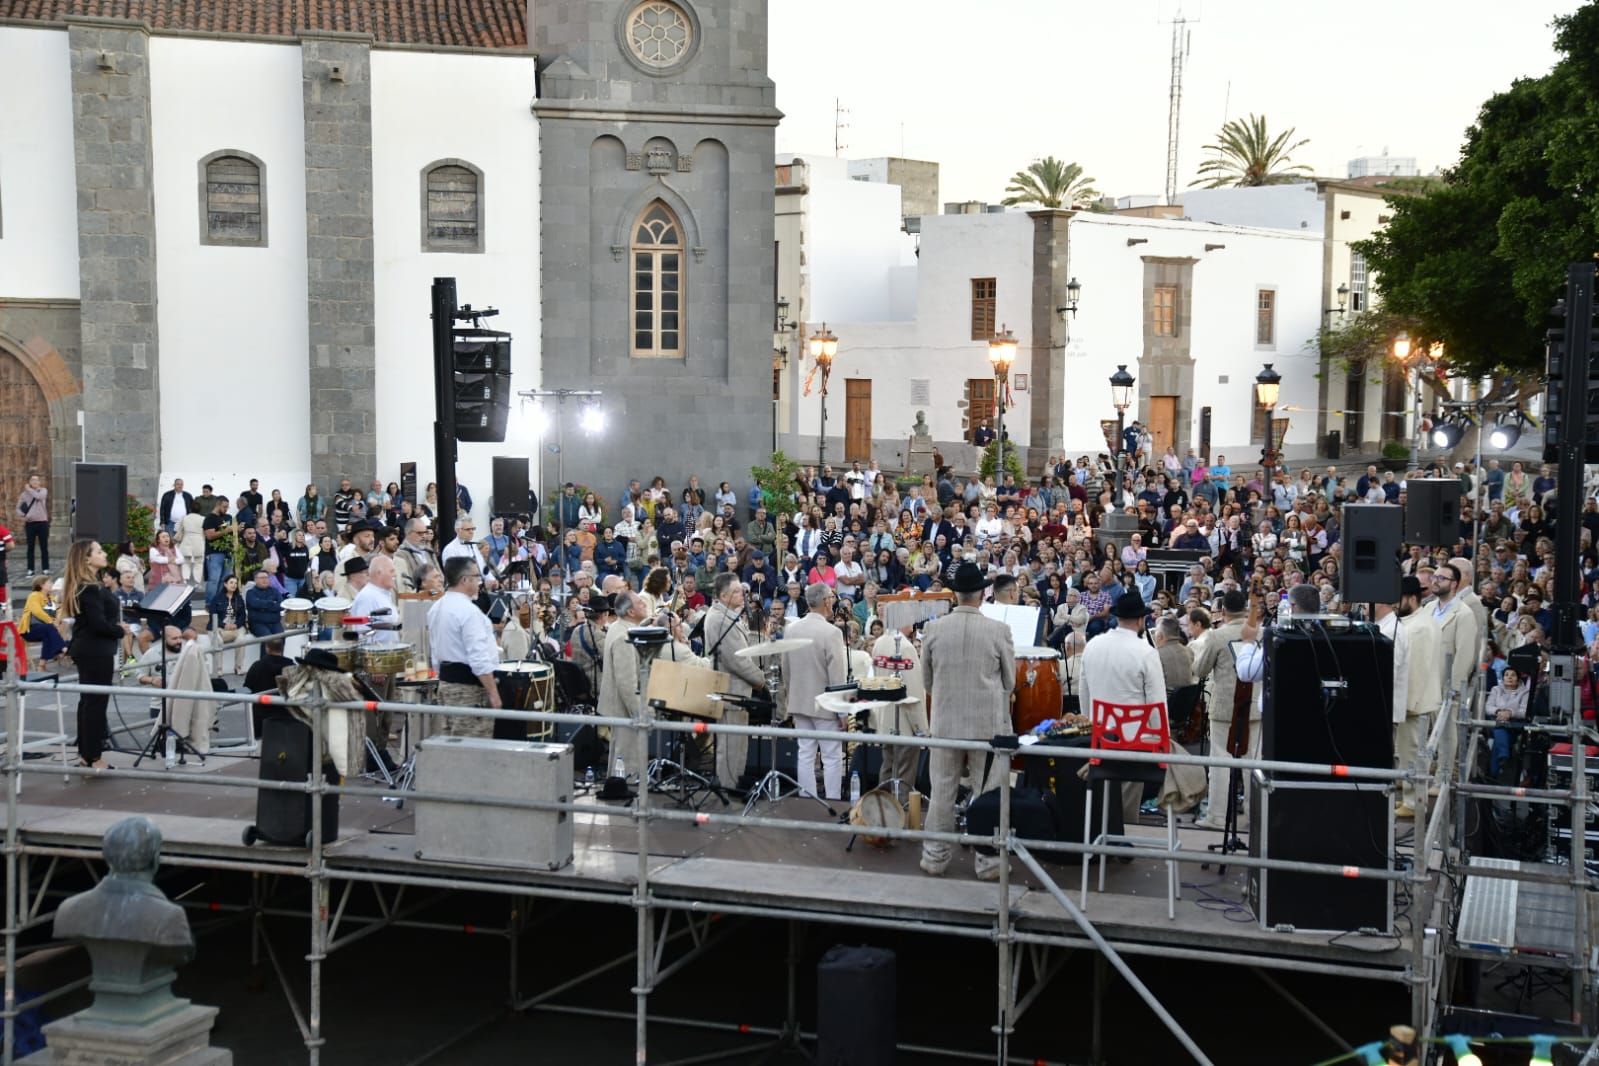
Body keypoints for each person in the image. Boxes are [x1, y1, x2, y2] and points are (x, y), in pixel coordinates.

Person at [919, 561, 1014, 879]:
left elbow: (928, 683)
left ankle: (934, 857)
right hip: (984, 727)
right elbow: (1010, 682)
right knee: (986, 794)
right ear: (982, 593)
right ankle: (987, 862)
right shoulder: (998, 630)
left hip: (945, 723)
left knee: (942, 790)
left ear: (956, 595)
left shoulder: (933, 629)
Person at [1080, 590, 1167, 828]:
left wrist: (1090, 727)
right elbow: (1157, 706)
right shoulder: (1146, 652)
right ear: (1140, 621)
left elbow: (1084, 692)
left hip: (1100, 735)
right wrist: (1162, 745)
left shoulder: (1093, 645)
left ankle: (1109, 828)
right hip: (1135, 740)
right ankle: (1124, 830)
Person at [1191, 590, 1255, 829]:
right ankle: (1254, 816)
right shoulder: (1259, 632)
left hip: (1224, 706)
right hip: (1253, 707)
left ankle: (1217, 817)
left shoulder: (1217, 636)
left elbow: (1200, 670)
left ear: (1224, 611)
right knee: (1253, 765)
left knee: (1220, 762)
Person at [700, 572, 766, 789]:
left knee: (738, 744)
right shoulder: (719, 618)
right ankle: (727, 787)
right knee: (729, 746)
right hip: (730, 691)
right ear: (725, 595)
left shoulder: (727, 615)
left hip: (739, 692)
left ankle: (734, 783)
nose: (743, 595)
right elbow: (736, 659)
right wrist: (760, 680)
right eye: (737, 591)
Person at [783, 583, 849, 800]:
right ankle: (832, 801)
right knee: (831, 757)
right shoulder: (832, 633)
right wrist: (842, 711)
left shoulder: (791, 630)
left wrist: (791, 697)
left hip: (799, 700)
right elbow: (837, 676)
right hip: (826, 704)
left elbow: (786, 670)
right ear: (826, 601)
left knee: (805, 754)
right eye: (831, 597)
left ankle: (806, 801)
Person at [64, 540, 124, 769]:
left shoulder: (87, 585)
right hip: (95, 650)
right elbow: (98, 624)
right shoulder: (89, 588)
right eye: (99, 551)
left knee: (88, 701)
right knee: (95, 702)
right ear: (87, 559)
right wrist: (120, 630)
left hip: (90, 648)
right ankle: (92, 756)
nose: (104, 553)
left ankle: (86, 753)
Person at [426, 558, 503, 737]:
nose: (479, 582)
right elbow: (478, 658)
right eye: (476, 576)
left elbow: (435, 652)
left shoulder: (437, 607)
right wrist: (493, 692)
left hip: (447, 684)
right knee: (471, 747)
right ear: (464, 580)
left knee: (452, 743)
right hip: (469, 690)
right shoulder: (469, 612)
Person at [1396, 576, 1442, 816]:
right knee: (1407, 752)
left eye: (1399, 598)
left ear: (1412, 598)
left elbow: (1417, 669)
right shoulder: (1417, 621)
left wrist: (1407, 704)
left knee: (1412, 753)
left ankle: (1414, 803)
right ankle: (1409, 797)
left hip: (1416, 702)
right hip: (1415, 701)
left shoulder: (1420, 626)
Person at [870, 621, 927, 796]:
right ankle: (900, 814)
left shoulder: (880, 642)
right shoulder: (906, 647)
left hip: (885, 718)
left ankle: (883, 811)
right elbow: (912, 692)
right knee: (903, 776)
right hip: (904, 722)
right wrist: (920, 728)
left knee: (887, 770)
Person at [1487, 666, 1530, 778]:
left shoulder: (1525, 692)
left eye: (1513, 675)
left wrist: (1510, 713)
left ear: (1518, 678)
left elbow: (1524, 711)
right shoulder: (1496, 689)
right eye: (1506, 675)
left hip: (1514, 725)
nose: (1509, 677)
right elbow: (1488, 707)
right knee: (1500, 728)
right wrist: (1499, 711)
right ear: (1503, 678)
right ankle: (1504, 756)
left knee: (1498, 740)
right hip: (1496, 721)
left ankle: (1494, 773)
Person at [348, 555, 400, 640]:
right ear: (379, 573)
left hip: (389, 651)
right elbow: (363, 634)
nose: (395, 574)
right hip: (377, 652)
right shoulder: (367, 597)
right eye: (391, 571)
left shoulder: (383, 594)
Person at [18, 473, 50, 576]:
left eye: (37, 480)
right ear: (29, 482)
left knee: (44, 547)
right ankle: (30, 569)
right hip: (30, 524)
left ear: (39, 482)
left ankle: (45, 568)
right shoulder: (24, 494)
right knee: (30, 547)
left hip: (42, 523)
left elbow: (39, 497)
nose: (35, 482)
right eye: (32, 480)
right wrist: (23, 516)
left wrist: (29, 489)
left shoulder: (43, 491)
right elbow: (17, 508)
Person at [1153, 616, 1194, 689]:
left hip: (1166, 698)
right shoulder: (1189, 651)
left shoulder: (1156, 655)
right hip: (1187, 698)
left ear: (1160, 636)